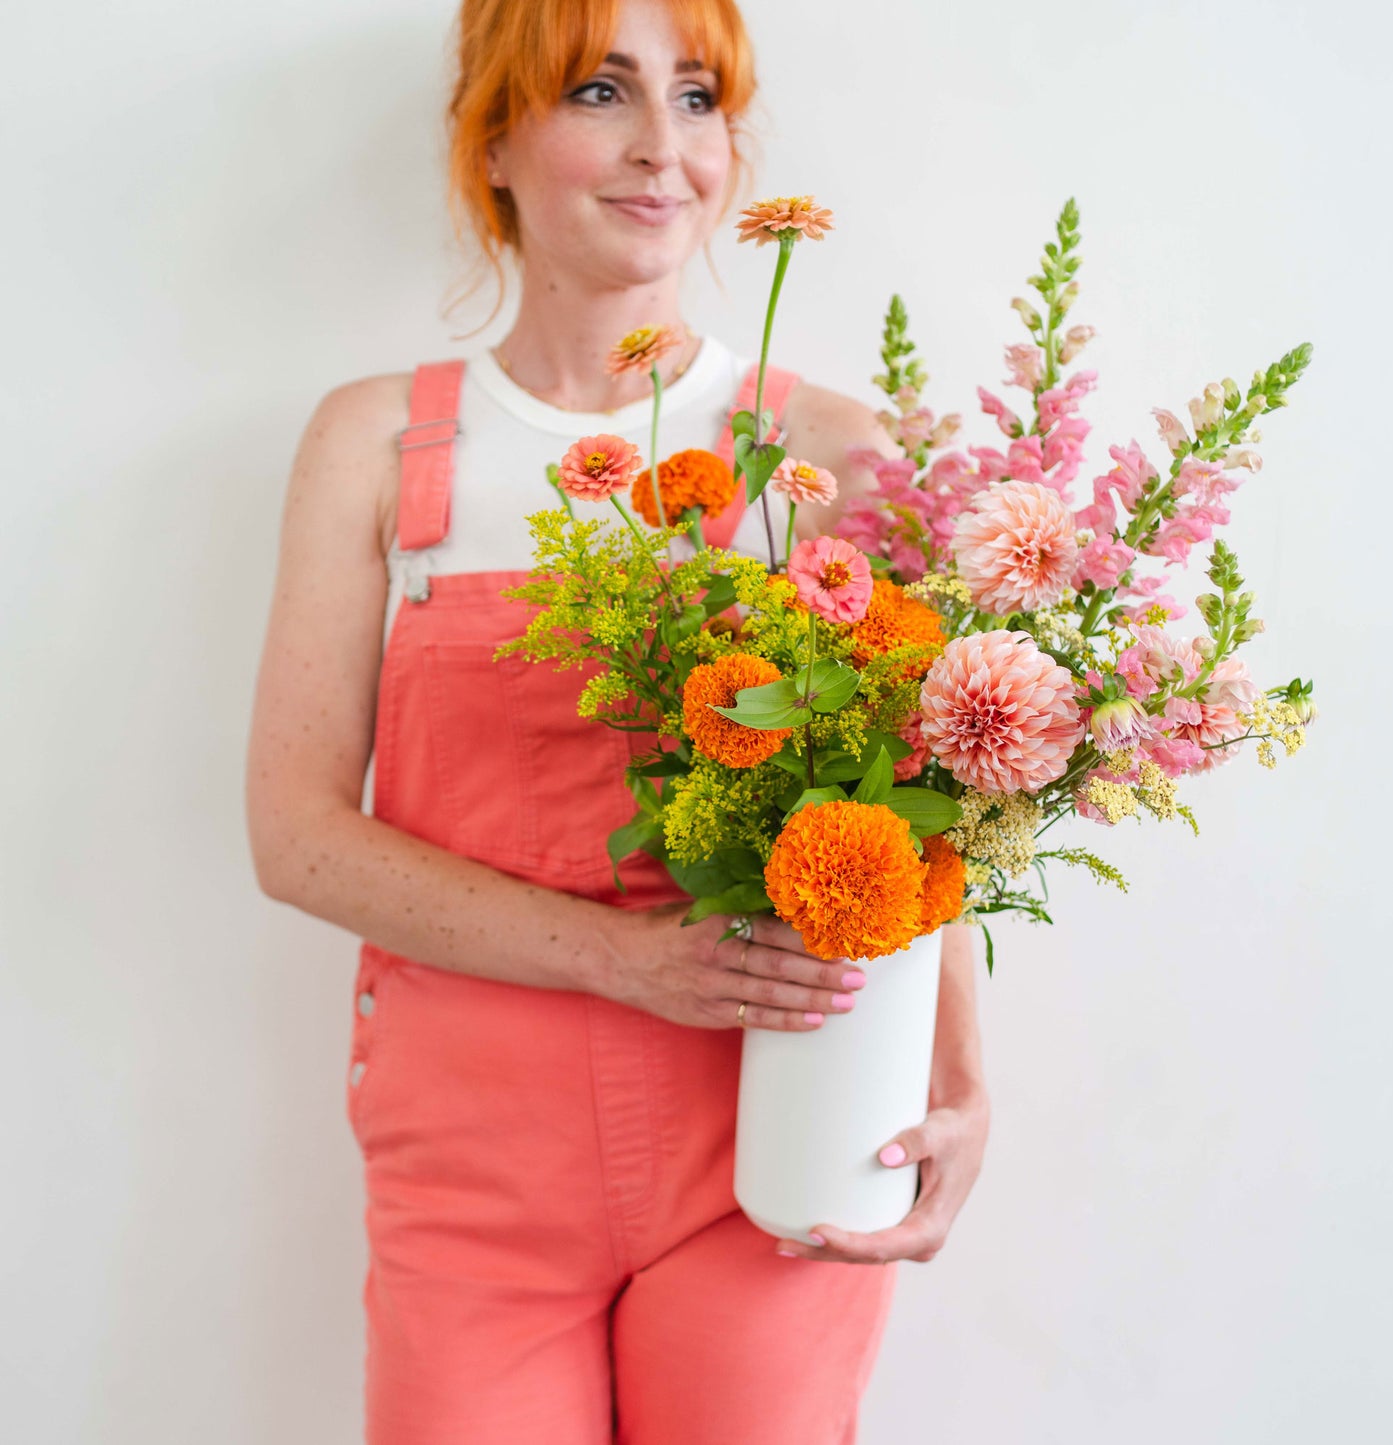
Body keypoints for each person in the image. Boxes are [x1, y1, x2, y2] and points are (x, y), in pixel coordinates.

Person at [244, 0, 991, 1439]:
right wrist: (623, 959)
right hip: (468, 1161)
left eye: (698, 97)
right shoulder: (378, 446)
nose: (665, 148)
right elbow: (295, 836)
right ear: (494, 142)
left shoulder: (832, 455)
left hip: (781, 1125)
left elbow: (919, 819)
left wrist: (958, 1078)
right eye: (600, 90)